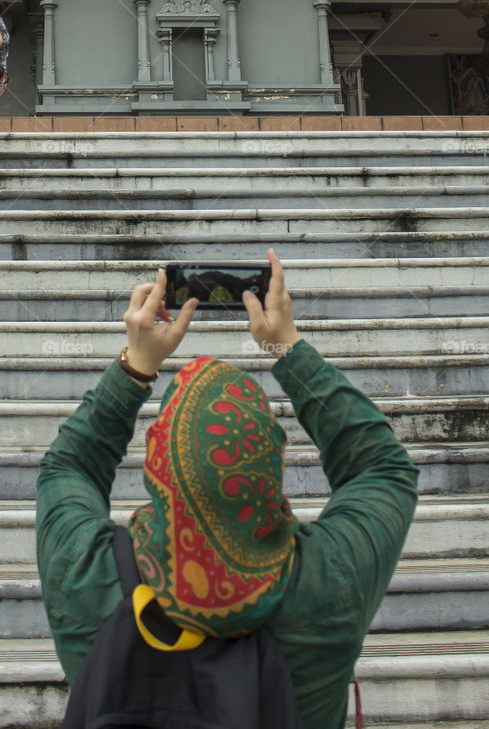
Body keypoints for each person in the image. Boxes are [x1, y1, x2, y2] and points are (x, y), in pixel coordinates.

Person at [37, 249, 418, 729]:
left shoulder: (86, 574)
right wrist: (286, 349)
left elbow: (68, 466)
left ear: (158, 468)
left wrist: (136, 366)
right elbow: (382, 467)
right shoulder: (329, 580)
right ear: (268, 465)